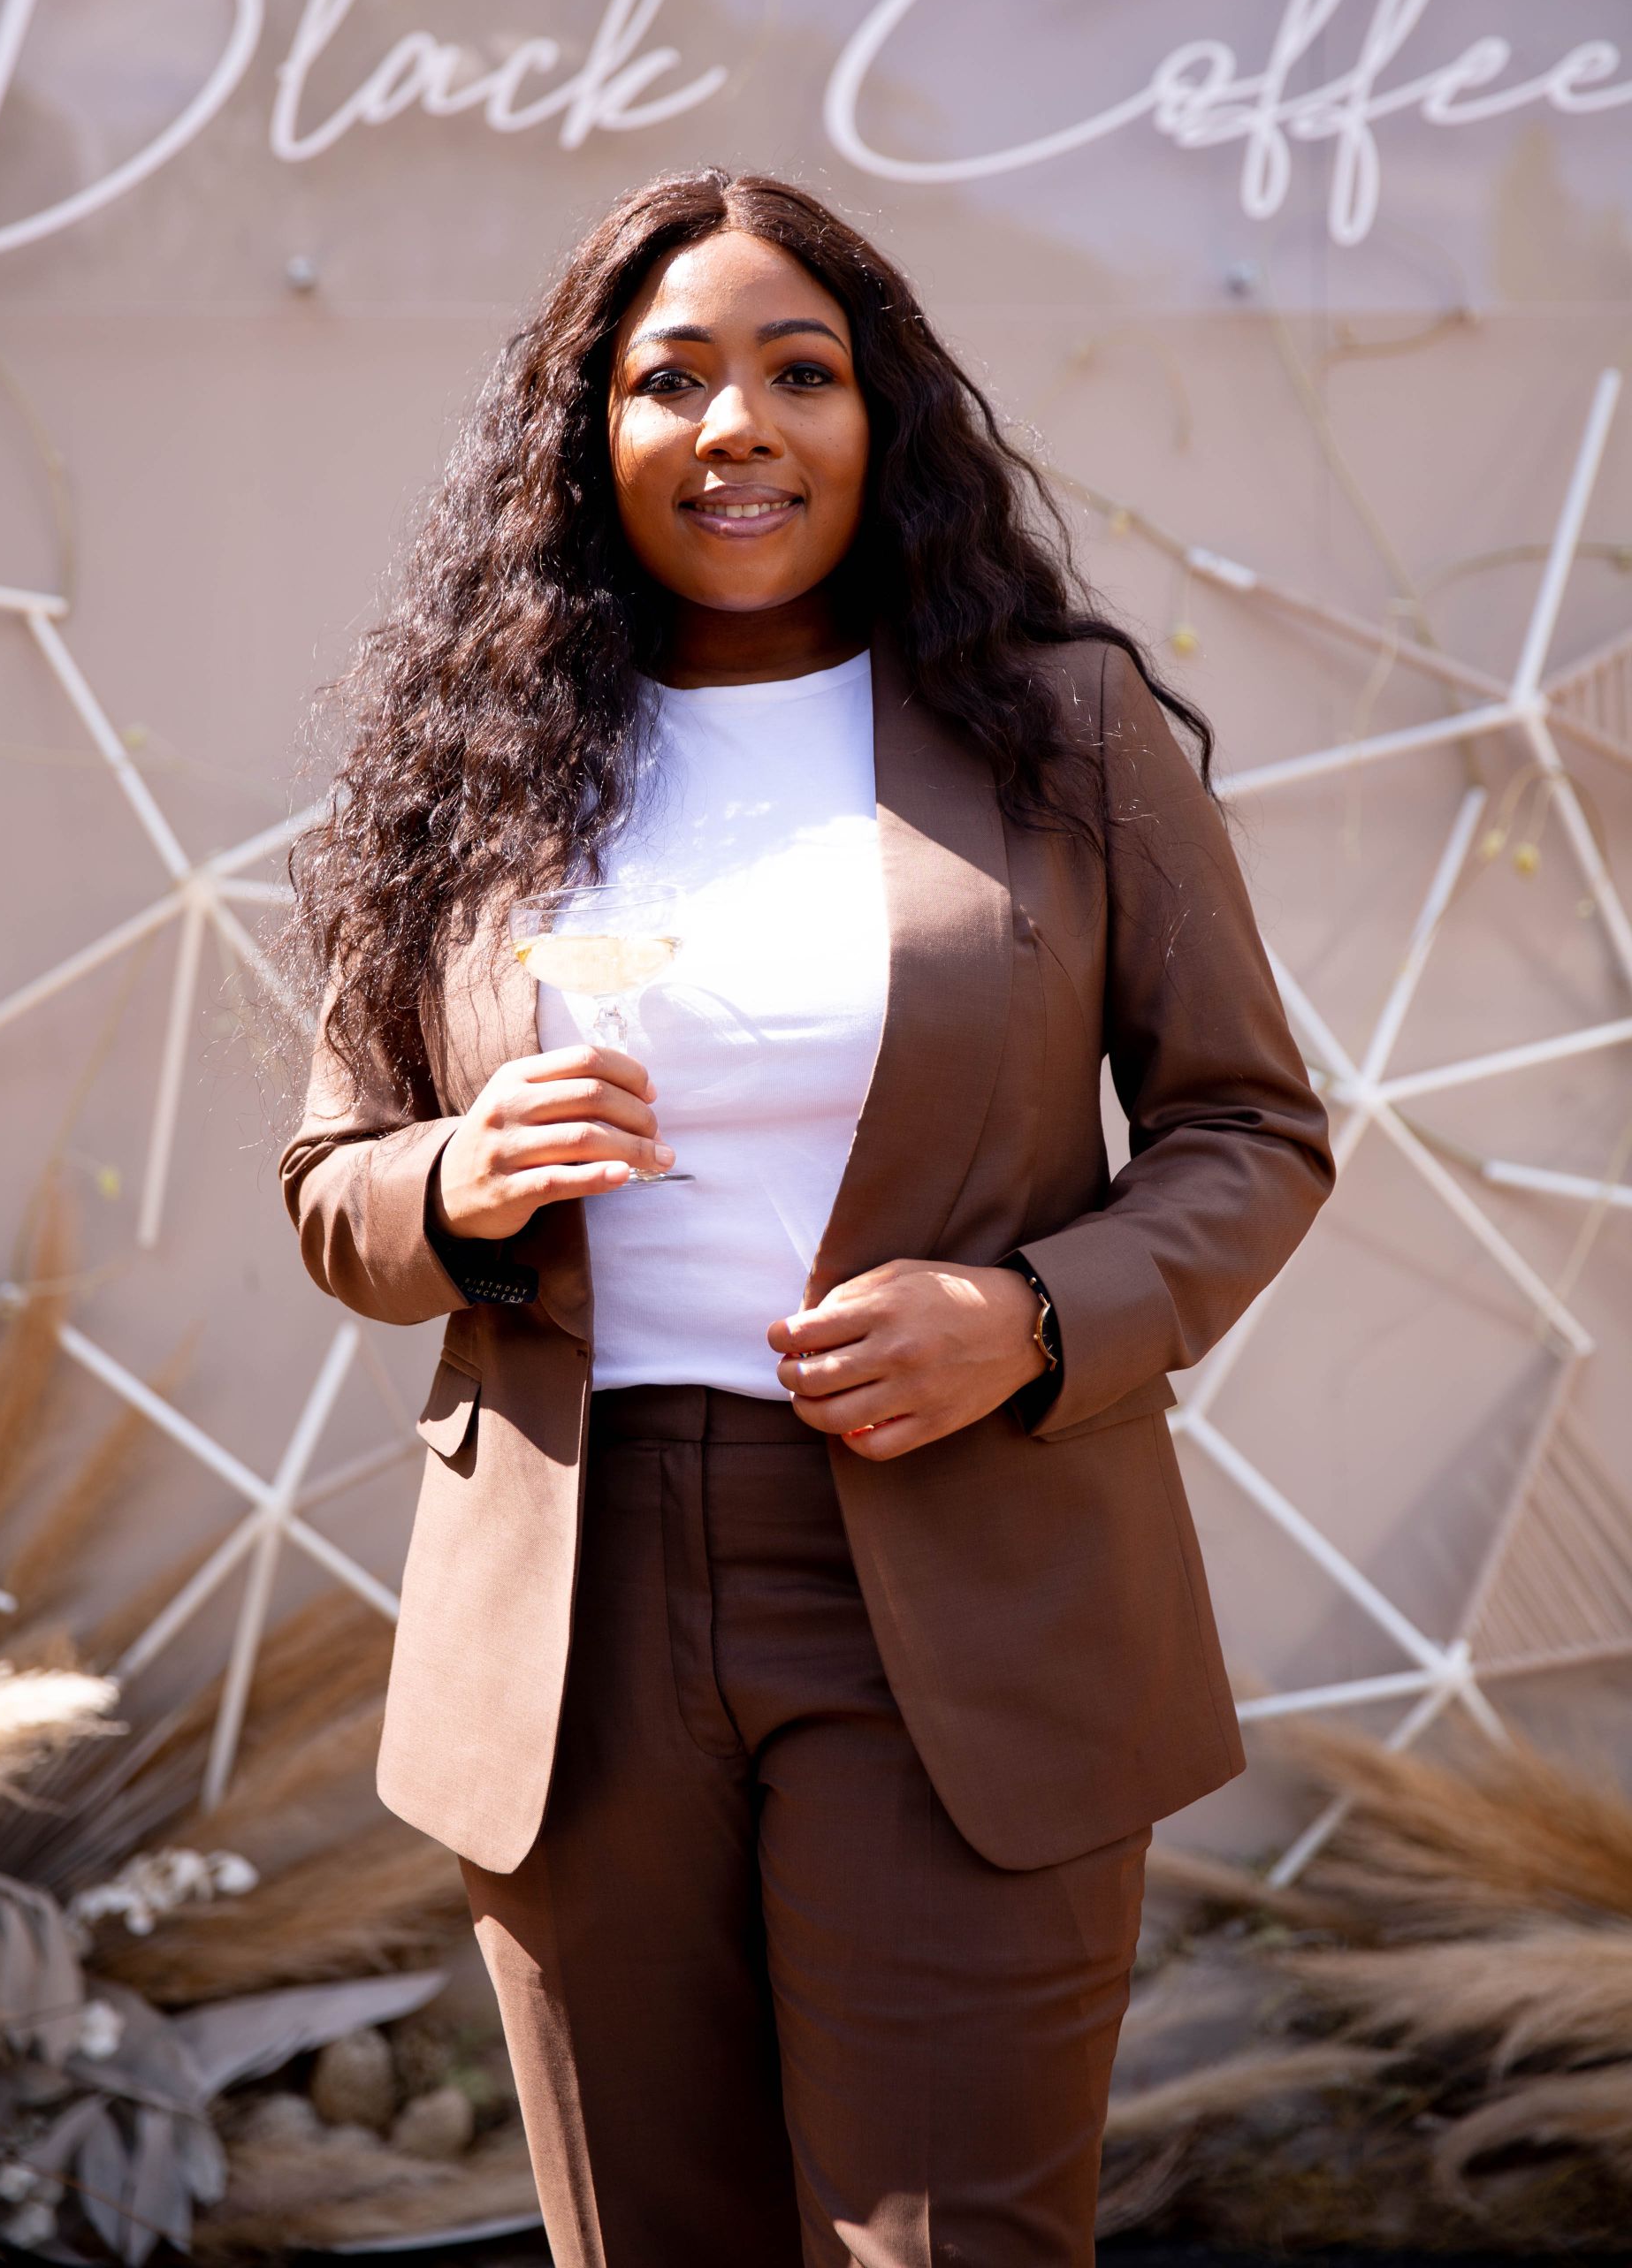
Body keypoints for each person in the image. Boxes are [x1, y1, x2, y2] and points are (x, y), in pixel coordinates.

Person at [278, 169, 1334, 2268]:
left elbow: (1251, 1131)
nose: (736, 425)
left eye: (799, 372)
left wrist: (1034, 1317)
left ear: (882, 416)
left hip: (968, 1574)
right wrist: (463, 1181)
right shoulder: (483, 764)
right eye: (670, 379)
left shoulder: (1062, 729)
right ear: (588, 434)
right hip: (575, 1607)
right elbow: (336, 1185)